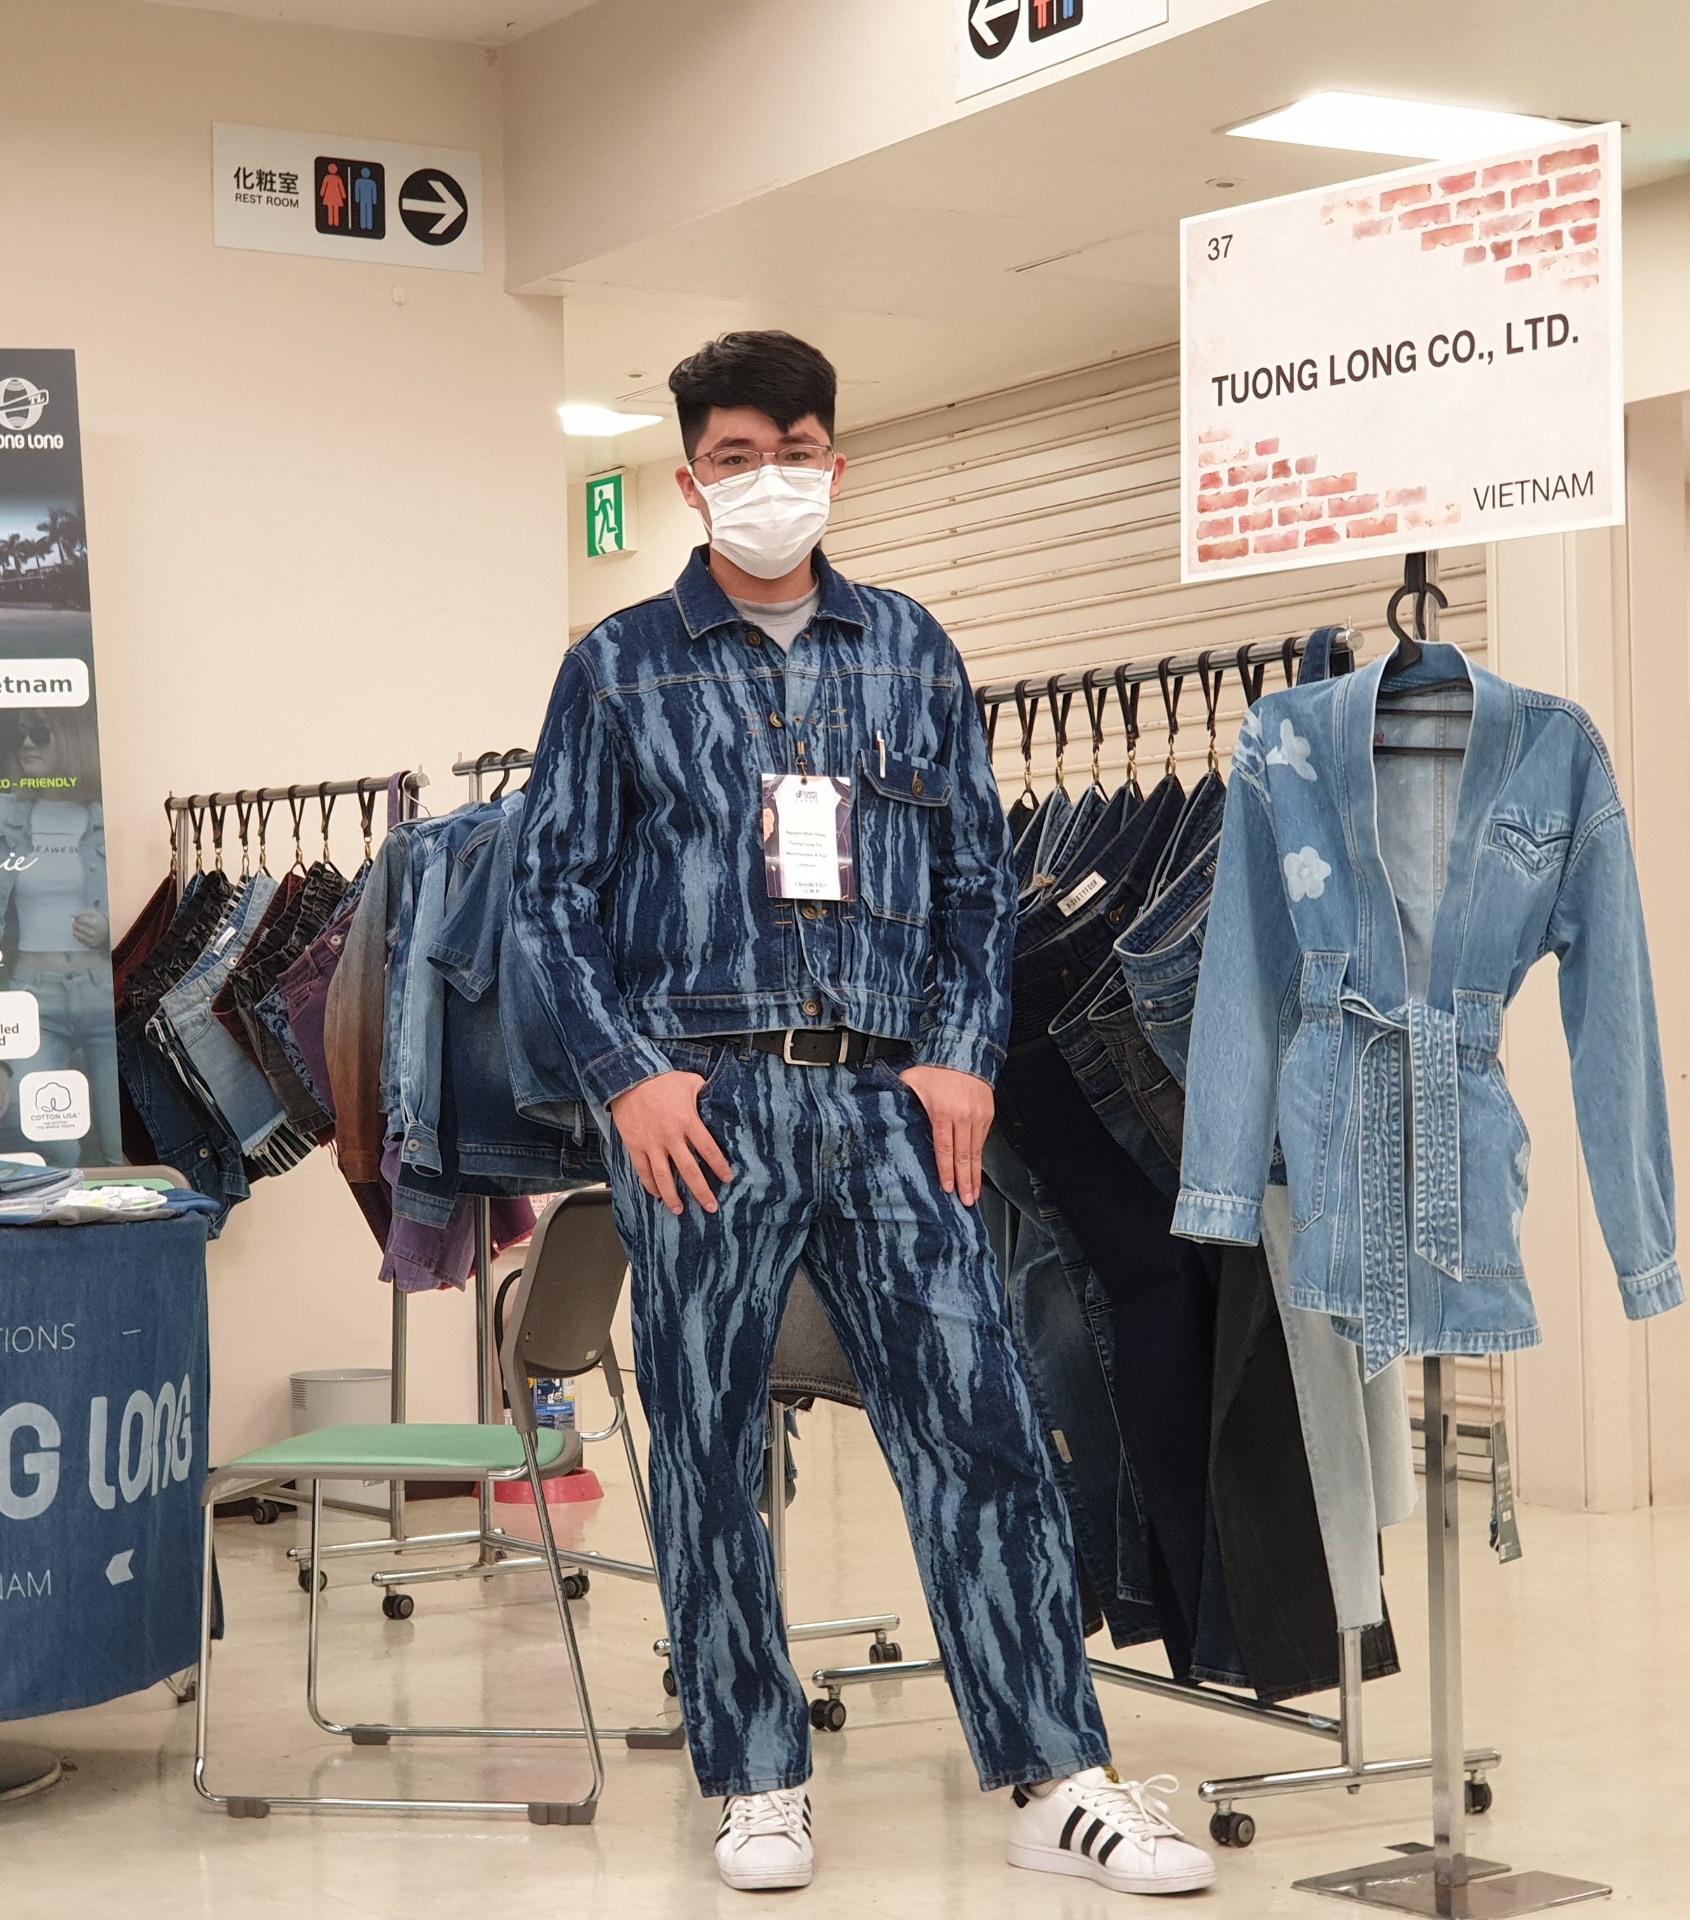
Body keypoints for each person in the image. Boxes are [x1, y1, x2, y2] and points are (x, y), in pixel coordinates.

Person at [512, 331, 1211, 1896]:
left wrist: (963, 1055)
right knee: (706, 1447)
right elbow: (549, 901)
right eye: (738, 456)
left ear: (837, 462)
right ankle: (756, 1778)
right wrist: (628, 1077)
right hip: (705, 1109)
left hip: (894, 1103)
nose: (771, 479)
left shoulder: (910, 648)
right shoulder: (619, 667)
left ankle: (1058, 1776)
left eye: (796, 450)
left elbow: (974, 881)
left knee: (981, 1430)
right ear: (690, 478)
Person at [0, 709, 120, 1167]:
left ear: (72, 740)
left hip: (104, 995)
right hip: (32, 997)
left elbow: (149, 900)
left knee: (119, 1145)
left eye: (41, 735)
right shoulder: (2, 811)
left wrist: (108, 926)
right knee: (51, 1141)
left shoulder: (106, 815)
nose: (27, 745)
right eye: (23, 736)